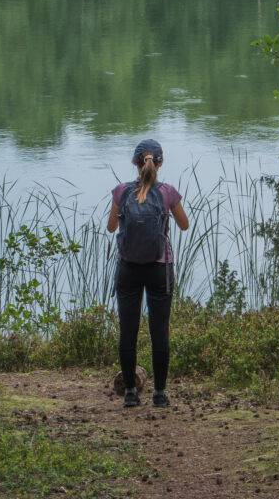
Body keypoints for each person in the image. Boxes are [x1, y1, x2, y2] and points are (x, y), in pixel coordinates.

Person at [106, 138, 189, 409]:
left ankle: (130, 392)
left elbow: (110, 228)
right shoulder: (167, 192)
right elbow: (185, 225)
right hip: (159, 268)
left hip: (128, 268)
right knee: (159, 332)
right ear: (159, 163)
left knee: (128, 331)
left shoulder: (121, 191)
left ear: (135, 163)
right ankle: (160, 394)